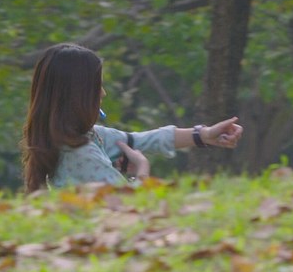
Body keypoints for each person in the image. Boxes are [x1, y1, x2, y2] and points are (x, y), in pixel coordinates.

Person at [21, 43, 243, 193]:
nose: (103, 93)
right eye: (97, 86)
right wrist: (142, 170)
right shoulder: (80, 154)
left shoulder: (85, 138)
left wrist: (204, 135)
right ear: (77, 95)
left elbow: (144, 140)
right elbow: (130, 205)